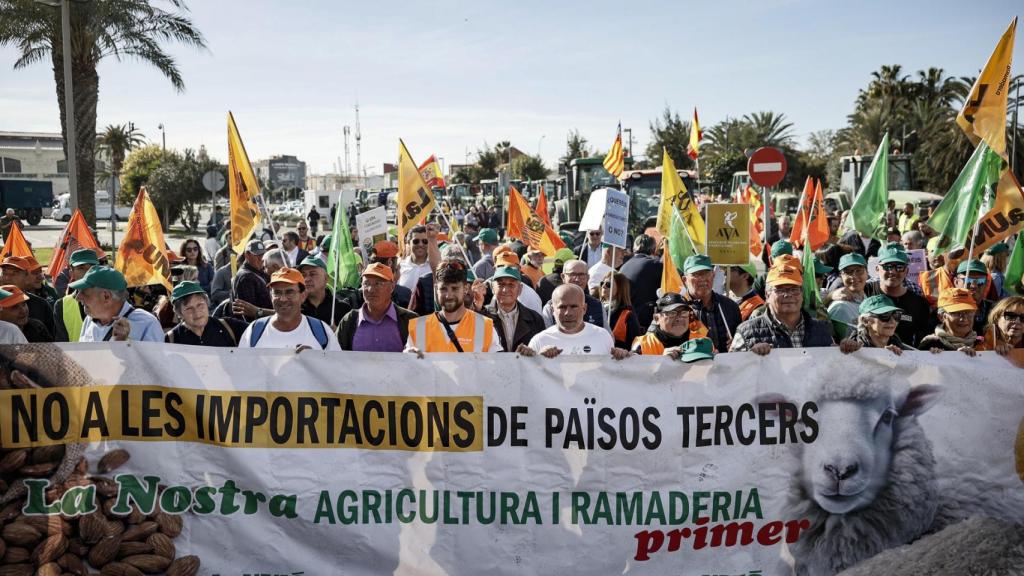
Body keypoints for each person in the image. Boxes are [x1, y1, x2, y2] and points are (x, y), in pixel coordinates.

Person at [730, 264, 854, 355]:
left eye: (794, 289)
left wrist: (847, 351)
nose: (788, 295)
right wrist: (749, 357)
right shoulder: (747, 333)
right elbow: (732, 373)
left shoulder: (821, 329)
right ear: (767, 296)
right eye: (780, 289)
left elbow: (832, 368)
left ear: (802, 294)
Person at [405, 260, 501, 353]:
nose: (448, 296)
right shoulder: (419, 327)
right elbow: (409, 362)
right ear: (436, 289)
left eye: (455, 288)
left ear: (466, 288)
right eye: (443, 289)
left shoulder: (485, 327)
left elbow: (497, 363)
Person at [238, 268, 341, 350]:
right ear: (270, 296)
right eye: (277, 293)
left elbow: (336, 368)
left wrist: (315, 359)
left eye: (289, 292)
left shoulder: (321, 332)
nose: (283, 299)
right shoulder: (254, 332)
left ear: (303, 296)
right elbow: (242, 368)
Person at [519, 284, 630, 359]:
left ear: (584, 308)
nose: (568, 313)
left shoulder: (602, 337)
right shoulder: (539, 341)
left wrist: (623, 359)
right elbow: (530, 378)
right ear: (552, 310)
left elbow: (613, 376)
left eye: (574, 306)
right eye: (562, 307)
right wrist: (539, 358)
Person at [336, 263, 418, 352]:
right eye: (366, 283)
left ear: (392, 287)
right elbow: (334, 356)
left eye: (378, 284)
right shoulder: (349, 321)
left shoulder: (410, 320)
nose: (371, 289)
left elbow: (421, 357)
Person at [863, 244, 932, 347]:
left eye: (899, 267)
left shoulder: (919, 303)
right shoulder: (865, 291)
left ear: (906, 271)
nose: (893, 272)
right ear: (877, 269)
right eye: (887, 266)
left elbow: (923, 341)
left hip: (905, 356)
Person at [71, 266, 163, 342]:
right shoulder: (89, 320)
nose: (77, 297)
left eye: (84, 292)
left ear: (106, 296)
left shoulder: (147, 324)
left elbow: (155, 359)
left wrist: (126, 344)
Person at [679, 255, 741, 353]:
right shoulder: (677, 310)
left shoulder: (730, 306)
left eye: (706, 273)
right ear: (684, 280)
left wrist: (737, 344)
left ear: (713, 275)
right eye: (696, 274)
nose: (702, 279)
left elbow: (742, 340)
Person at [481, 266, 545, 351]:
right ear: (493, 288)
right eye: (501, 284)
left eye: (511, 285)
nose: (505, 290)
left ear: (520, 289)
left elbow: (541, 350)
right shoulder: (482, 317)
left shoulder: (535, 320)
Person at [165, 281, 248, 346]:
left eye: (200, 305)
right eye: (189, 309)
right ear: (179, 313)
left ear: (207, 303)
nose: (196, 312)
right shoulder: (171, 340)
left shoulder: (230, 327)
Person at [631, 293, 704, 357]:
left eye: (684, 313)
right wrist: (662, 361)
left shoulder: (702, 342)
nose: (679, 318)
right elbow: (634, 368)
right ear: (656, 318)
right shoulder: (642, 345)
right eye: (671, 313)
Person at [1, 256, 55, 337]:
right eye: (4, 272)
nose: (7, 278)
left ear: (27, 276)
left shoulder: (41, 305)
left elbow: (53, 339)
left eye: (14, 273)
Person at [541, 259, 604, 328]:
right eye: (572, 274)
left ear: (588, 278)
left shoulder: (598, 305)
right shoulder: (550, 307)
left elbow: (606, 333)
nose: (577, 279)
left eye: (581, 275)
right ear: (563, 277)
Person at [919, 287, 980, 357]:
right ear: (941, 317)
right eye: (956, 312)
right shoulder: (930, 344)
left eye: (969, 312)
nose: (964, 318)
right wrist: (935, 357)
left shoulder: (982, 341)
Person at [618, 234, 662, 329]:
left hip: (625, 320)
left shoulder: (623, 266)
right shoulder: (656, 265)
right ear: (653, 249)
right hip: (645, 322)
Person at [52, 248, 97, 342]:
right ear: (71, 272)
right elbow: (62, 343)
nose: (88, 272)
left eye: (92, 267)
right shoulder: (62, 305)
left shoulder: (113, 299)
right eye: (81, 268)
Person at [846, 295, 914, 355]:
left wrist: (894, 359)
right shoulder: (852, 351)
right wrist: (881, 356)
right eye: (885, 315)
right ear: (865, 321)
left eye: (896, 315)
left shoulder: (905, 351)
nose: (892, 321)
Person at [297, 256, 351, 327]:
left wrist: (339, 332)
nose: (306, 279)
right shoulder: (295, 309)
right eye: (303, 275)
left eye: (312, 274)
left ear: (326, 278)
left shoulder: (342, 308)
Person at [826, 253, 869, 340]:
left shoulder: (866, 299)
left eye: (859, 271)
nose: (854, 276)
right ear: (841, 276)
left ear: (867, 273)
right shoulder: (839, 308)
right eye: (848, 272)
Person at [231, 239, 273, 321]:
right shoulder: (246, 277)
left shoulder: (260, 272)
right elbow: (248, 314)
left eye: (263, 254)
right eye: (257, 255)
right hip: (258, 324)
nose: (261, 258)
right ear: (247, 255)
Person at [599, 271, 642, 349]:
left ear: (620, 288)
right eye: (602, 283)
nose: (603, 286)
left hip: (617, 354)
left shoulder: (627, 313)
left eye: (608, 284)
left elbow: (635, 343)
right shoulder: (596, 307)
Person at [954, 259, 996, 334]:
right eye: (968, 280)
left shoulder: (995, 309)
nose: (974, 286)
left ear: (986, 284)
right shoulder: (946, 311)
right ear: (956, 282)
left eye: (980, 281)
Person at [398, 225, 440, 292]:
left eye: (425, 241)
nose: (420, 244)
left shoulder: (435, 265)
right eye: (416, 241)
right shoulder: (400, 266)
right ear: (408, 242)